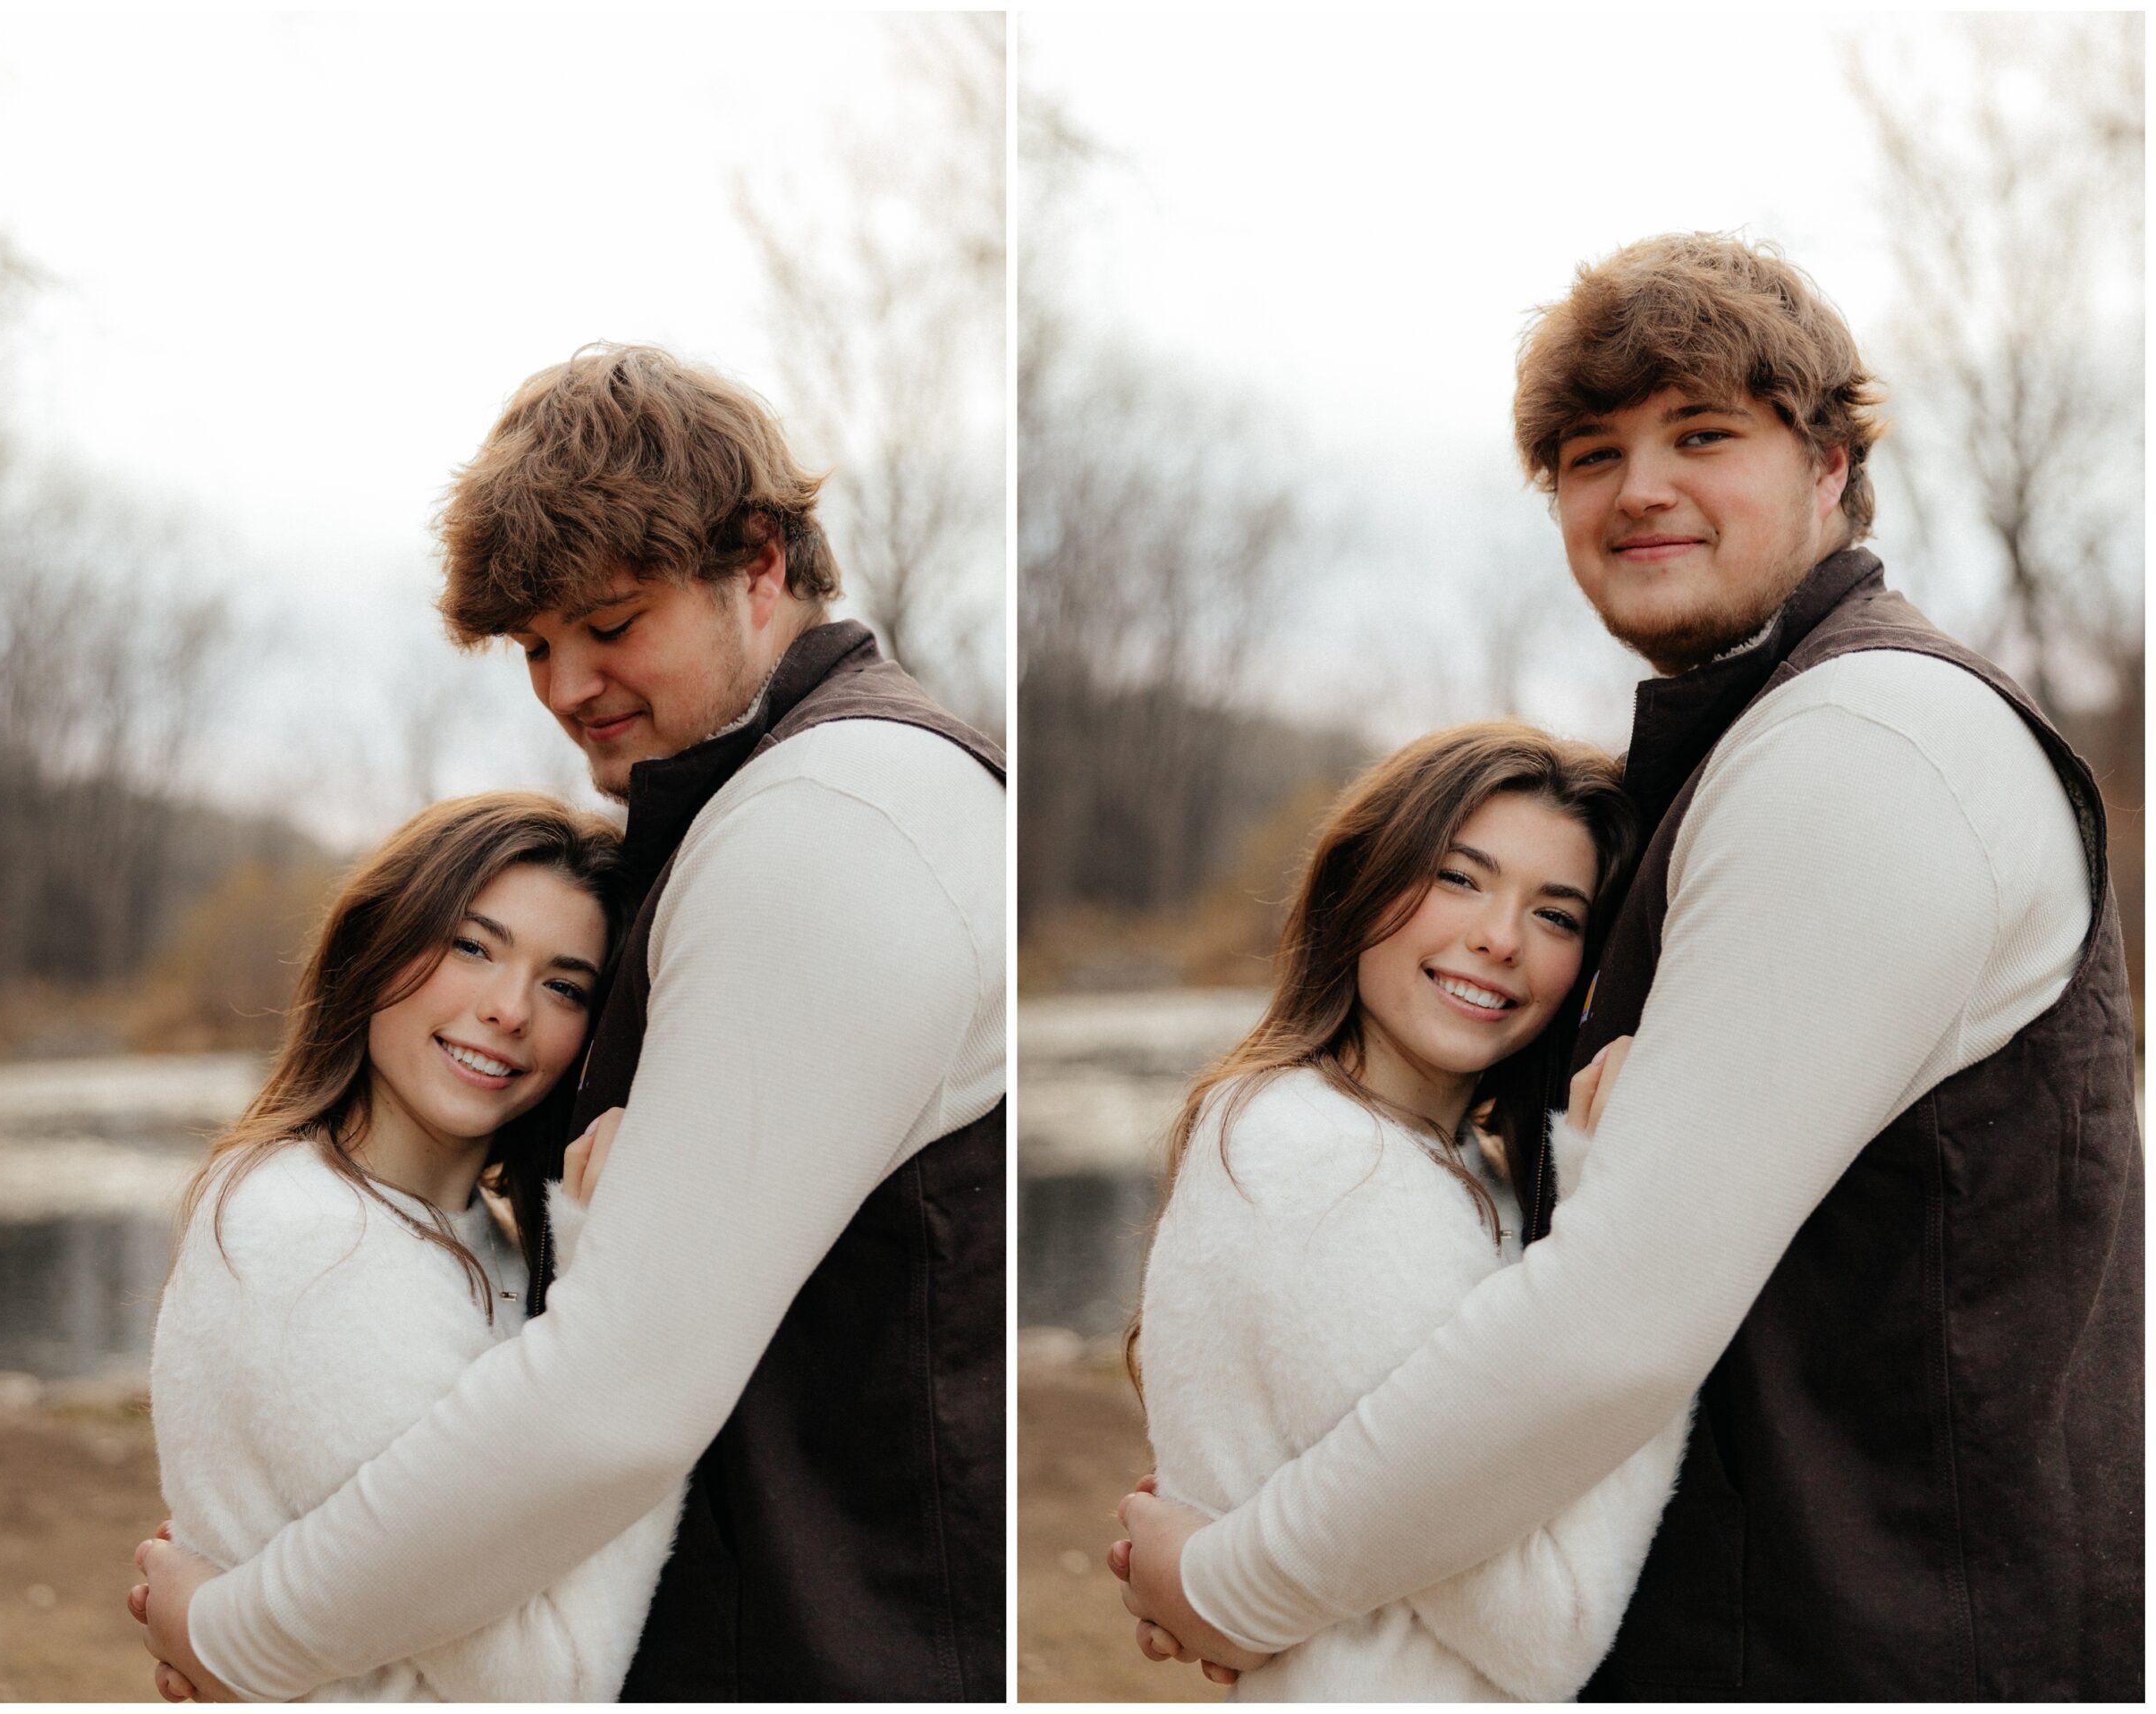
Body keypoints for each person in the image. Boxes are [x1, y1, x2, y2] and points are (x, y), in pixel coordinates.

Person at [1114, 233, 2142, 1700]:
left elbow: (1621, 1316)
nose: (1639, 487)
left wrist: (1238, 1576)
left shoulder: (1864, 746)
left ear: (1834, 465)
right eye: (1591, 453)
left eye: (1703, 434)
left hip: (1881, 1647)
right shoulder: (1755, 748)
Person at [136, 345, 1007, 1701]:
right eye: (536, 645)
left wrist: (248, 1636)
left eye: (611, 623)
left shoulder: (831, 820)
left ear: (759, 563)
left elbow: (625, 1390)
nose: (564, 684)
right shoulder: (763, 807)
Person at [1136, 722, 1695, 1700]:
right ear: (1362, 881)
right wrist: (1642, 1245)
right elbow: (1548, 1628)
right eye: (1458, 878)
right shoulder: (1323, 1163)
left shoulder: (1442, 1163)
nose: (1500, 938)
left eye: (1557, 915)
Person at [141, 790, 682, 1701]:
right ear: (374, 946)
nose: (509, 1010)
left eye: (564, 985)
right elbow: (546, 1686)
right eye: (473, 946)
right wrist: (627, 1319)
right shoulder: (312, 1243)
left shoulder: (482, 1245)